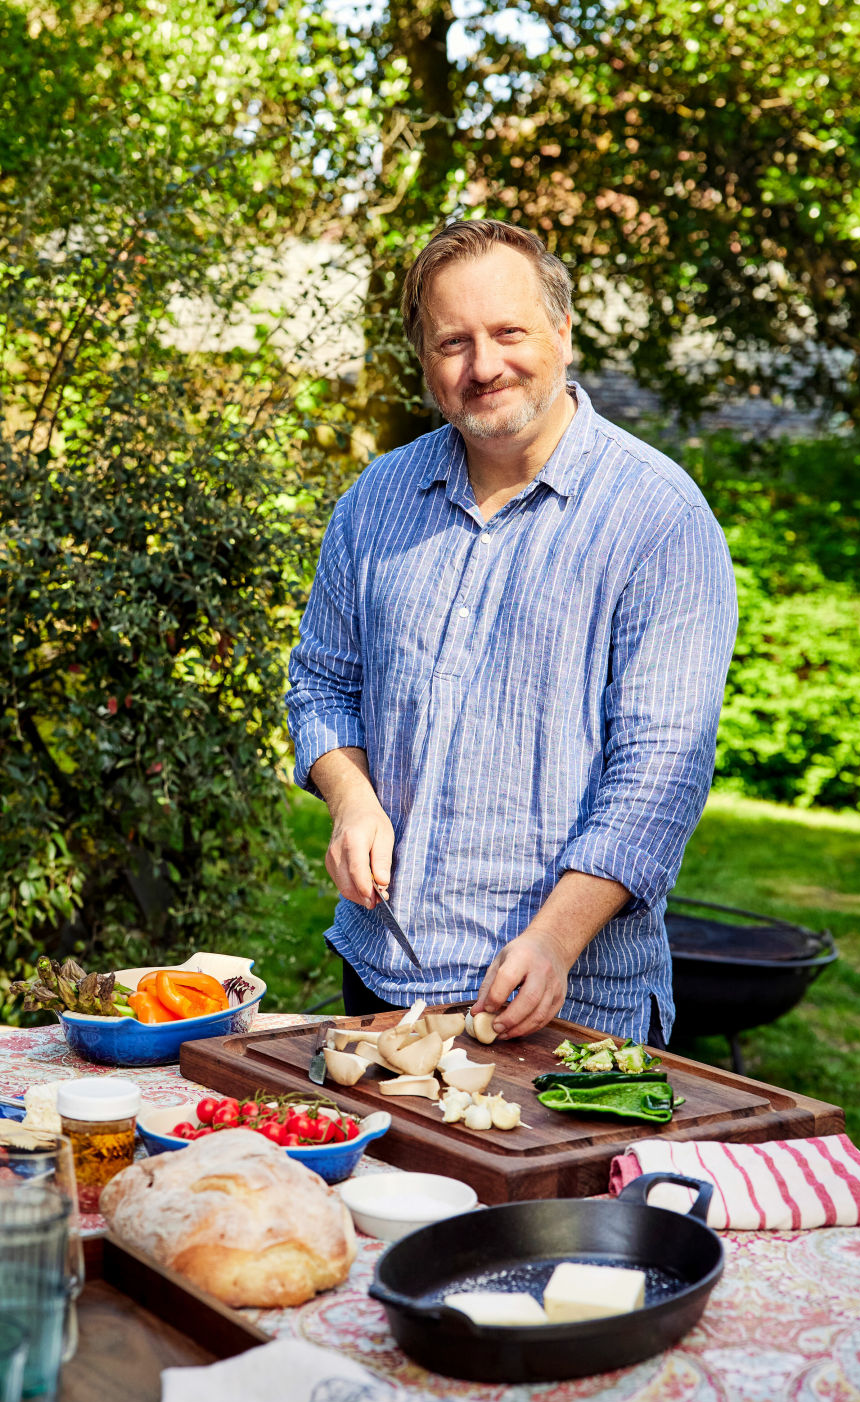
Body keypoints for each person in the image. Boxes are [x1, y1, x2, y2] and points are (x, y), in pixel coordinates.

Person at [286, 219, 737, 1044]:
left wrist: (556, 938)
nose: (483, 365)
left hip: (572, 1002)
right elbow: (322, 683)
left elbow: (659, 778)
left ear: (563, 331)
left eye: (509, 331)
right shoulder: (374, 502)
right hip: (384, 978)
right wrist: (350, 797)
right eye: (453, 341)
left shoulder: (658, 517)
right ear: (424, 360)